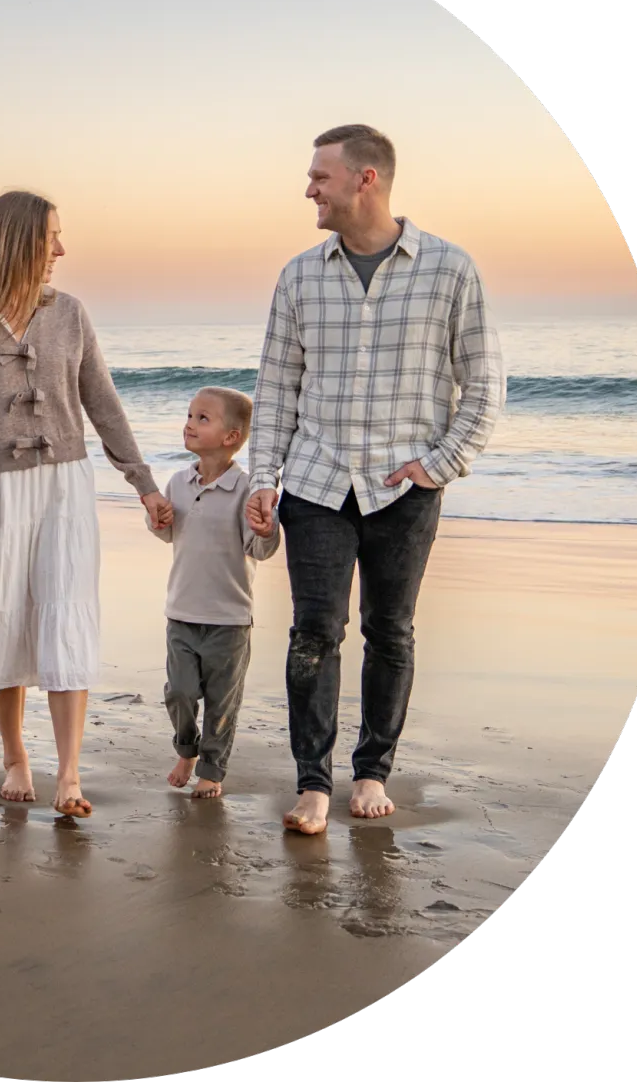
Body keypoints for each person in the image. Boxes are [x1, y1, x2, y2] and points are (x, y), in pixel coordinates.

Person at [246, 124, 506, 835]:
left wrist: (437, 464)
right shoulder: (300, 275)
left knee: (390, 631)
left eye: (319, 176)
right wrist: (263, 477)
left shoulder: (450, 270)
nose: (309, 189)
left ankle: (371, 773)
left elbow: (485, 385)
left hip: (404, 488)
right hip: (316, 481)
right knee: (313, 632)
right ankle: (312, 784)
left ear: (366, 179)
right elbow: (276, 388)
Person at [0, 190, 173, 818]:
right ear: (17, 242)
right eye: (50, 237)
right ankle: (15, 757)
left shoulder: (70, 314)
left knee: (66, 616)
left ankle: (68, 773)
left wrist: (143, 483)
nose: (60, 249)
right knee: (3, 616)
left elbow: (103, 402)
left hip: (65, 487)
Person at [147, 387, 280, 799]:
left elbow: (260, 549)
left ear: (231, 437)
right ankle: (186, 750)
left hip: (229, 619)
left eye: (202, 418)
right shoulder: (178, 482)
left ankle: (212, 770)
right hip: (181, 613)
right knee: (180, 692)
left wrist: (266, 529)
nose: (189, 423)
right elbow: (169, 533)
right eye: (190, 415)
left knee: (222, 704)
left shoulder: (246, 489)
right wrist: (157, 519)